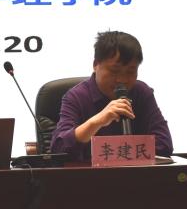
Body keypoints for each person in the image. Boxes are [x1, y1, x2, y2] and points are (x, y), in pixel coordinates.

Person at [49, 30, 172, 162]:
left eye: (130, 72)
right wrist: (96, 122)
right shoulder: (76, 97)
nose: (122, 80)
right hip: (91, 174)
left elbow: (164, 145)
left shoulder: (141, 92)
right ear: (95, 64)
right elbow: (58, 150)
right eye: (114, 71)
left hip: (136, 173)